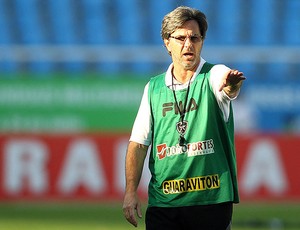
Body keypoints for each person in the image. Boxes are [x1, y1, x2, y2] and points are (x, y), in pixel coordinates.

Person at [122, 6, 246, 230]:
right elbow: (138, 144)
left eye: (194, 38)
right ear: (167, 43)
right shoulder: (153, 88)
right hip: (164, 203)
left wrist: (231, 86)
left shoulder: (213, 75)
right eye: (180, 38)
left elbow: (226, 85)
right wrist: (131, 192)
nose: (188, 44)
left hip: (210, 201)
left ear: (202, 41)